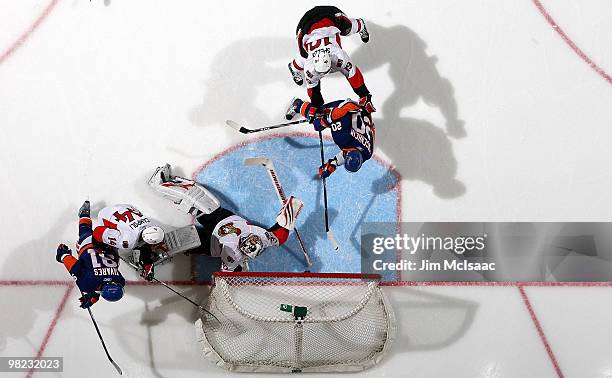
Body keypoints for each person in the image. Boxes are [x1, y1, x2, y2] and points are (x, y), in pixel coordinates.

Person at [147, 164, 303, 272]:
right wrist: (289, 218)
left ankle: (147, 253)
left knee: (180, 242)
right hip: (222, 219)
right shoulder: (263, 238)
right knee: (201, 200)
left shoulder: (233, 255)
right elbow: (279, 237)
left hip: (211, 244)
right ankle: (165, 183)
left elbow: (226, 276)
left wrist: (236, 272)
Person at [287, 6, 375, 113]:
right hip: (306, 25)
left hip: (329, 14)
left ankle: (360, 25)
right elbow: (313, 88)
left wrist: (364, 94)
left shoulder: (339, 56)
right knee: (304, 55)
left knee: (347, 29)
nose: (324, 75)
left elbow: (352, 73)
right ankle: (292, 67)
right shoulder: (309, 67)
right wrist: (316, 104)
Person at [55, 201, 125, 309]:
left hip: (109, 246)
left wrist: (94, 295)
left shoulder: (120, 281)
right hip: (88, 246)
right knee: (84, 232)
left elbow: (103, 279)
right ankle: (84, 213)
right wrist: (63, 255)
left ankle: (106, 218)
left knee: (112, 235)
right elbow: (74, 267)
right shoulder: (86, 285)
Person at [286, 97, 375, 178]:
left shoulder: (367, 154)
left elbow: (371, 130)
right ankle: (298, 104)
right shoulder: (342, 138)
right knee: (317, 119)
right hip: (347, 107)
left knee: (335, 123)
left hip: (362, 113)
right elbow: (338, 114)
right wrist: (322, 122)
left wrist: (334, 163)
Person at [92, 204, 164, 281]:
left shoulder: (151, 226)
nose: (155, 248)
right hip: (105, 215)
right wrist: (99, 248)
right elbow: (97, 232)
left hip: (123, 207)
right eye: (154, 245)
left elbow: (145, 247)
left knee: (142, 246)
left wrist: (148, 265)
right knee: (111, 245)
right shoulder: (128, 242)